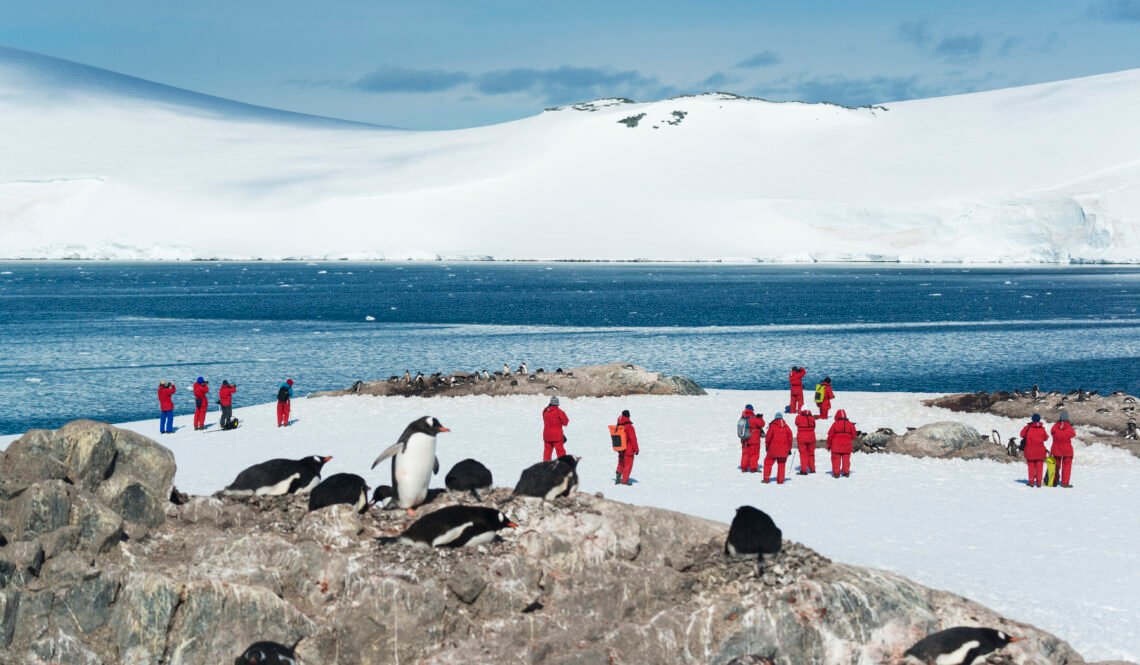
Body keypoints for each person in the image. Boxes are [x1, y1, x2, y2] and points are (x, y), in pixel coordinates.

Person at [1020, 413, 1050, 488]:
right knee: (1039, 467)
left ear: (1032, 419)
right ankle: (1039, 482)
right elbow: (1046, 438)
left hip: (1030, 451)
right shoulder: (1042, 428)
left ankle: (1031, 482)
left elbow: (1021, 435)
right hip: (1040, 451)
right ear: (1039, 419)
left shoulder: (1028, 427)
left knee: (1031, 467)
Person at [763, 412, 793, 484]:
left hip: (772, 450)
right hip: (784, 450)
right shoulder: (787, 427)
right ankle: (780, 480)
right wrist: (789, 449)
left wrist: (767, 447)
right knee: (781, 464)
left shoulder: (772, 426)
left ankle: (766, 478)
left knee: (768, 463)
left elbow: (768, 438)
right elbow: (790, 439)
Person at [826, 409, 857, 478]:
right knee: (846, 460)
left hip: (835, 447)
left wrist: (828, 445)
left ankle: (836, 473)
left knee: (835, 460)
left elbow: (830, 436)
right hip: (847, 446)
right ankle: (846, 472)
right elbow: (854, 435)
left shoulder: (835, 424)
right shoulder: (850, 424)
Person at [1050, 411, 1075, 488]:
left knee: (1056, 466)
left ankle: (1054, 481)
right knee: (1067, 467)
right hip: (1067, 451)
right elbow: (1073, 434)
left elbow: (1052, 432)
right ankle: (1065, 483)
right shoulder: (1069, 428)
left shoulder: (1055, 427)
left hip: (1056, 449)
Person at [614, 410, 639, 485]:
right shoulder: (629, 427)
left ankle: (618, 479)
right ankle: (625, 481)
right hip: (629, 450)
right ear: (628, 416)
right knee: (628, 465)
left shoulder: (618, 425)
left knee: (621, 463)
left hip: (621, 449)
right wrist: (636, 449)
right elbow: (633, 439)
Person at [738, 404, 765, 473]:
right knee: (754, 454)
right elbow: (762, 424)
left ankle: (744, 468)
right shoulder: (754, 418)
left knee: (745, 454)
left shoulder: (742, 418)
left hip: (744, 440)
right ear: (752, 410)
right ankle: (753, 468)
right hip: (754, 440)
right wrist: (760, 418)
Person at [542, 396, 570, 460]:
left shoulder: (545, 411)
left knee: (547, 452)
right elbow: (566, 422)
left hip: (547, 436)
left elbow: (544, 419)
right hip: (557, 436)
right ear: (557, 404)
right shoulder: (559, 412)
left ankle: (546, 466)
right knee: (560, 452)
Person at [794, 408, 817, 474]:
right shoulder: (812, 418)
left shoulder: (799, 417)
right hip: (811, 437)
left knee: (803, 454)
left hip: (802, 437)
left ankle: (804, 470)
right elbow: (814, 426)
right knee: (811, 454)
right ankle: (812, 469)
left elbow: (796, 423)